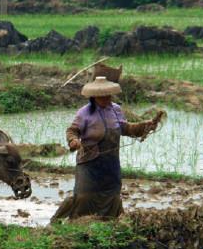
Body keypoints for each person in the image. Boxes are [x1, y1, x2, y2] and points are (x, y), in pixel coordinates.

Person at [52, 76, 165, 221]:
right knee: (83, 195)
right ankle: (60, 220)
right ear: (94, 97)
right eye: (102, 96)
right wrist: (73, 140)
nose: (106, 98)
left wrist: (145, 125)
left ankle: (107, 222)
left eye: (108, 95)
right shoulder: (84, 113)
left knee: (112, 195)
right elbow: (72, 130)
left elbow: (125, 128)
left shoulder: (116, 110)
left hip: (111, 162)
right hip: (89, 162)